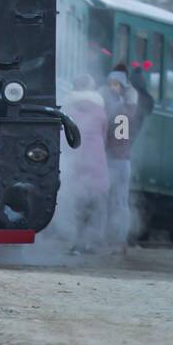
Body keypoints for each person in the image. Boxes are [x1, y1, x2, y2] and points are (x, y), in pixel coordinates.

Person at [62, 74, 109, 254]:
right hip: (96, 161)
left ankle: (75, 243)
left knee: (76, 205)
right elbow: (105, 135)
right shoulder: (100, 110)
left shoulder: (67, 108)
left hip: (74, 160)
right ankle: (92, 243)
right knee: (97, 206)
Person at [102, 63, 144, 254]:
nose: (112, 87)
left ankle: (116, 239)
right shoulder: (128, 109)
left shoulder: (120, 109)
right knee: (119, 202)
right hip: (122, 159)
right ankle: (116, 239)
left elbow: (117, 136)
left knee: (115, 202)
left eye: (115, 84)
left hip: (115, 159)